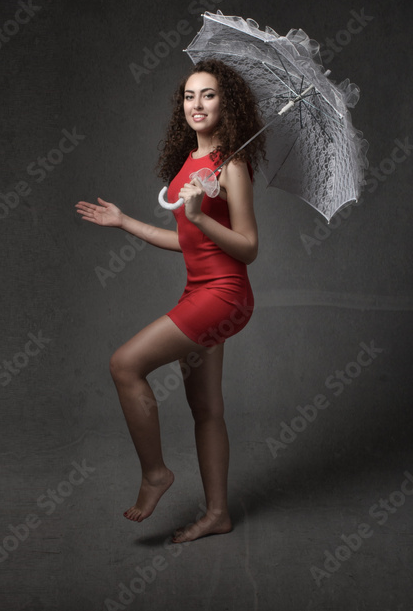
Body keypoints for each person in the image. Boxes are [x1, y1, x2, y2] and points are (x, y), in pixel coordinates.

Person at [74, 58, 266, 543]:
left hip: (224, 295)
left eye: (209, 95)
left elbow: (249, 247)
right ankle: (218, 514)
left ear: (228, 104)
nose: (197, 105)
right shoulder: (190, 163)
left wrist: (202, 216)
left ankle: (156, 473)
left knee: (125, 364)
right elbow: (186, 242)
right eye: (189, 96)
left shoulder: (232, 165)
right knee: (206, 407)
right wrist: (124, 222)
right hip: (198, 290)